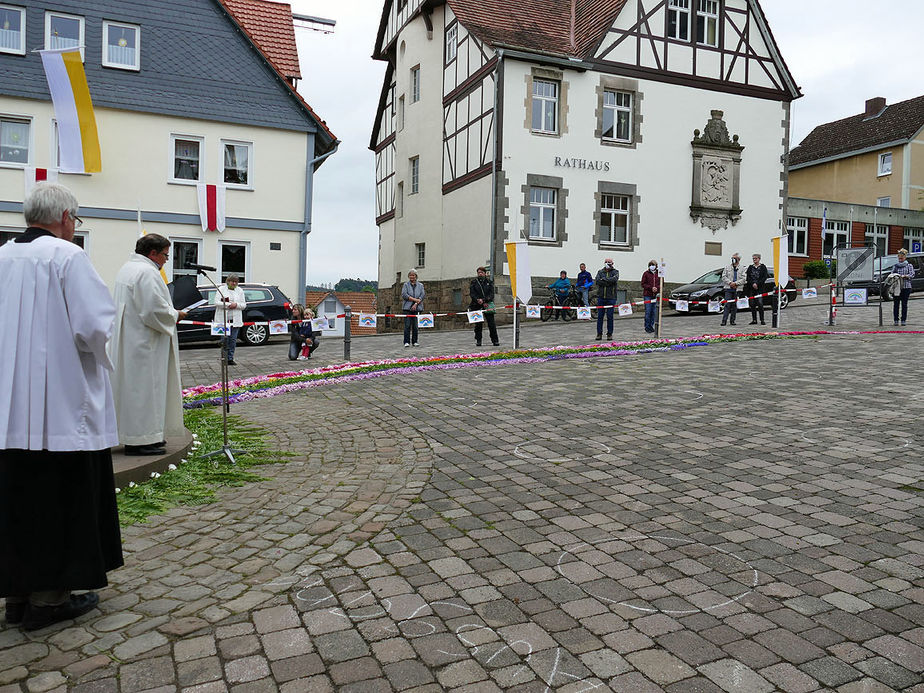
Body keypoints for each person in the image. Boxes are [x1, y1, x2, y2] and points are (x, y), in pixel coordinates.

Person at [0, 183, 123, 631]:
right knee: (59, 500)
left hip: (8, 409)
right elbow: (94, 327)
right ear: (67, 218)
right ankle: (50, 601)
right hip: (61, 405)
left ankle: (16, 596)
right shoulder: (68, 258)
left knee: (16, 496)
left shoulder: (1, 256)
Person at [108, 234, 186, 456]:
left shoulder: (128, 268)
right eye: (165, 255)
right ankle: (139, 440)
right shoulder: (146, 272)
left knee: (133, 390)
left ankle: (146, 436)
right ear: (153, 253)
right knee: (145, 390)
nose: (166, 260)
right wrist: (176, 314)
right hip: (144, 344)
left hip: (132, 340)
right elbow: (154, 310)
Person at [212, 274, 246, 365]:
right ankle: (224, 358)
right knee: (224, 340)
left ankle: (230, 358)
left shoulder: (240, 290)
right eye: (232, 281)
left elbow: (243, 305)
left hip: (235, 320)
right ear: (228, 281)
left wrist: (236, 305)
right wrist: (228, 305)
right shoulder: (221, 289)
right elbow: (216, 302)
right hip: (223, 320)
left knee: (233, 340)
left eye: (236, 282)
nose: (234, 283)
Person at [469, 266, 499, 347]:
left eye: (481, 272)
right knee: (478, 325)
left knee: (491, 324)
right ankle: (478, 340)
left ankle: (495, 340)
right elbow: (472, 293)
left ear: (485, 273)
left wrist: (485, 300)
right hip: (477, 305)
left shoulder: (489, 282)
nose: (480, 274)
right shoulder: (474, 282)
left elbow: (491, 294)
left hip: (487, 305)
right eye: (478, 272)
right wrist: (478, 300)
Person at [595, 258, 619, 340]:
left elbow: (614, 279)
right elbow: (597, 281)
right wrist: (608, 282)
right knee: (600, 317)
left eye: (609, 262)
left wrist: (604, 279)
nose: (607, 263)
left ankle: (609, 334)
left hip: (611, 298)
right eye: (606, 262)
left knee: (610, 316)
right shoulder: (600, 272)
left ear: (612, 263)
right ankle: (599, 333)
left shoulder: (615, 272)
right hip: (601, 297)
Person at [401, 270, 425, 347]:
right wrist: (415, 300)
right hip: (407, 308)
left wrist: (416, 304)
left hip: (417, 308)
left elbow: (422, 295)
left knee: (415, 326)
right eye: (410, 275)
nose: (412, 277)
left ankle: (415, 341)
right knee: (407, 325)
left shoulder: (420, 285)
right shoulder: (406, 285)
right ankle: (406, 341)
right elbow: (404, 295)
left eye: (413, 275)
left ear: (416, 276)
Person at [891, 248, 915, 326]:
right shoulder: (895, 266)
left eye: (902, 258)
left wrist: (905, 276)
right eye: (899, 258)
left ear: (905, 257)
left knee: (904, 304)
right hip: (897, 288)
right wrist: (895, 276)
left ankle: (903, 320)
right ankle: (896, 320)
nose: (900, 259)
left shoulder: (909, 265)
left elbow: (912, 275)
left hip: (906, 287)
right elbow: (892, 275)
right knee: (896, 304)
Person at [745, 253, 768, 325]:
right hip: (751, 288)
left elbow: (764, 277)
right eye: (753, 258)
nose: (754, 260)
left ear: (759, 259)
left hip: (759, 288)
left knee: (760, 304)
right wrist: (753, 284)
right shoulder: (750, 267)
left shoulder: (763, 267)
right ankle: (754, 319)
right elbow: (748, 277)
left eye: (756, 258)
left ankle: (762, 320)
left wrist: (757, 284)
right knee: (752, 304)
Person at [720, 253, 743, 326]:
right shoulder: (727, 267)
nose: (733, 260)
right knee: (727, 304)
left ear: (738, 259)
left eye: (735, 258)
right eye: (732, 258)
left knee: (734, 305)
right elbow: (723, 277)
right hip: (728, 288)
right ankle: (724, 321)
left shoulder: (743, 268)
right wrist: (730, 283)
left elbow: (744, 279)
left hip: (737, 289)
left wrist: (736, 283)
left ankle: (732, 320)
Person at [641, 260, 660, 333]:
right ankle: (647, 326)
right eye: (651, 264)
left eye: (653, 264)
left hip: (656, 295)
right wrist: (650, 288)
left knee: (654, 312)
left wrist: (657, 288)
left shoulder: (659, 274)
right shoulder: (646, 273)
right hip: (648, 295)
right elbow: (643, 284)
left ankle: (651, 326)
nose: (652, 266)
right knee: (648, 311)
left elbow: (662, 283)